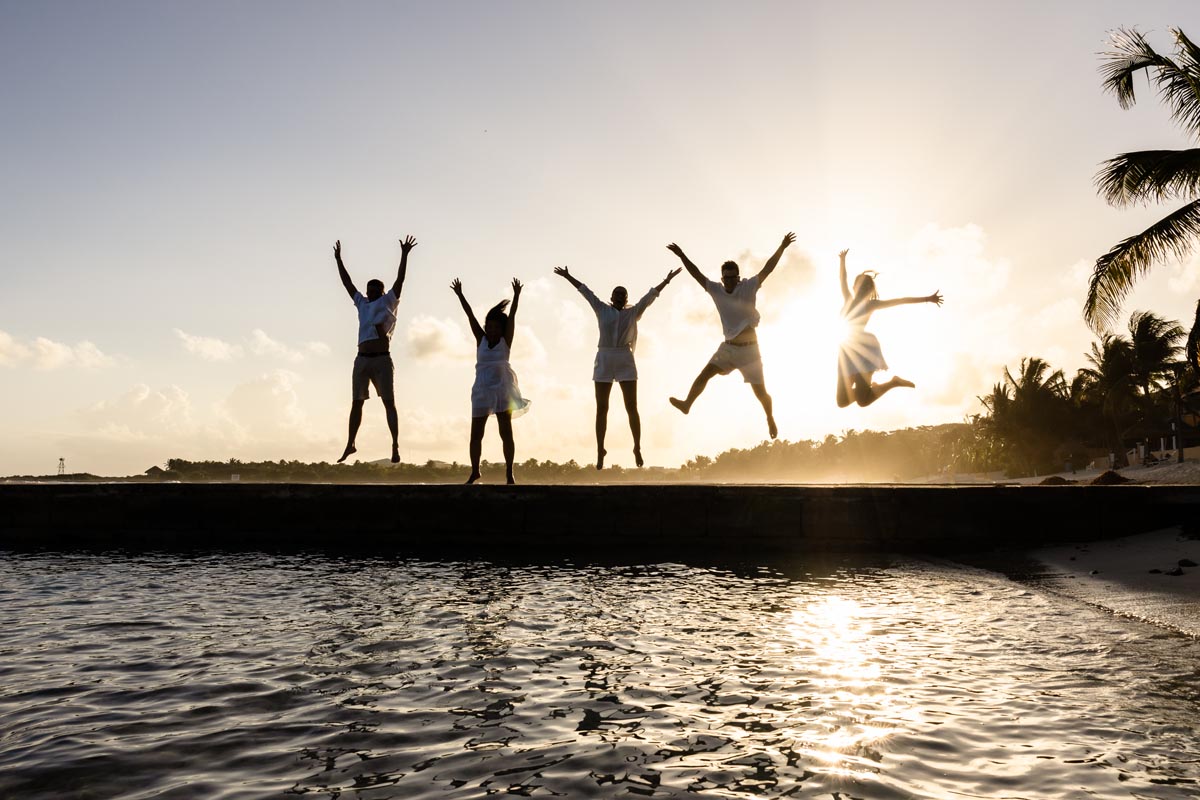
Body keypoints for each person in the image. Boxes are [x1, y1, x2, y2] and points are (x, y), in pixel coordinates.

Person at [666, 232, 796, 439]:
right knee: (705, 374)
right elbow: (696, 274)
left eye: (732, 277)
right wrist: (682, 255)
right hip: (728, 348)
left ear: (738, 277)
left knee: (761, 393)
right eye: (725, 278)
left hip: (750, 350)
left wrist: (782, 246)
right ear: (722, 278)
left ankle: (770, 418)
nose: (729, 281)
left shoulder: (748, 287)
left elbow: (768, 269)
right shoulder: (716, 290)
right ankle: (687, 404)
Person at [554, 265, 681, 469]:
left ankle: (637, 447)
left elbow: (650, 296)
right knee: (602, 408)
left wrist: (667, 280)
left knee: (631, 406)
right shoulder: (602, 309)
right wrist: (568, 276)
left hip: (624, 358)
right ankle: (600, 449)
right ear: (611, 298)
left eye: (623, 294)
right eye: (617, 294)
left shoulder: (633, 313)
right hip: (604, 357)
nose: (620, 296)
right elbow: (585, 291)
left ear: (626, 298)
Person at [334, 235, 416, 464]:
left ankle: (395, 444)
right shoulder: (362, 303)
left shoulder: (388, 301)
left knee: (389, 403)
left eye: (374, 290)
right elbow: (347, 284)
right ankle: (351, 443)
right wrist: (338, 259)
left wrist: (404, 255)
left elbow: (400, 279)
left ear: (381, 291)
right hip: (362, 358)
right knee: (356, 402)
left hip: (381, 359)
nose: (370, 293)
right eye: (368, 290)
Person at [836, 248, 942, 408]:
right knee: (842, 401)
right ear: (855, 286)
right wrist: (842, 260)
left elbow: (901, 300)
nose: (860, 288)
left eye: (864, 286)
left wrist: (928, 298)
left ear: (867, 289)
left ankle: (893, 383)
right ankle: (870, 389)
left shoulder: (871, 305)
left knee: (863, 401)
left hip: (864, 348)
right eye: (858, 284)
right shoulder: (848, 299)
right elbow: (842, 279)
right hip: (847, 349)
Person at [451, 277, 530, 484]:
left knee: (506, 432)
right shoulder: (481, 339)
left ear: (501, 329)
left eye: (496, 327)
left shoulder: (505, 341)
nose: (492, 330)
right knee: (476, 434)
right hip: (481, 390)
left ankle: (509, 473)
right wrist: (460, 294)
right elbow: (470, 316)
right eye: (489, 326)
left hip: (502, 389)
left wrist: (517, 296)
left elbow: (512, 317)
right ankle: (475, 471)